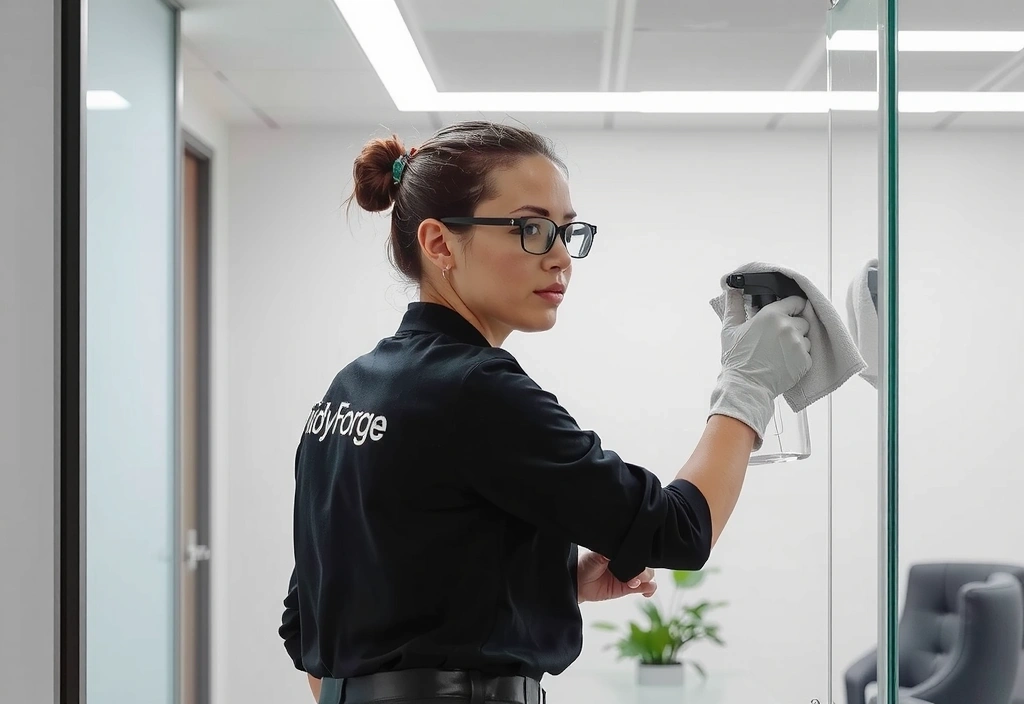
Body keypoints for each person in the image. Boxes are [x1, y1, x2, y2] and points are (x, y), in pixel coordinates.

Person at [278, 120, 812, 704]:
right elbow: (678, 530)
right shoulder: (476, 390)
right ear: (439, 244)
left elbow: (310, 622)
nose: (561, 258)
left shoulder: (348, 391)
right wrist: (747, 388)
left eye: (566, 231)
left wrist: (546, 587)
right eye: (531, 229)